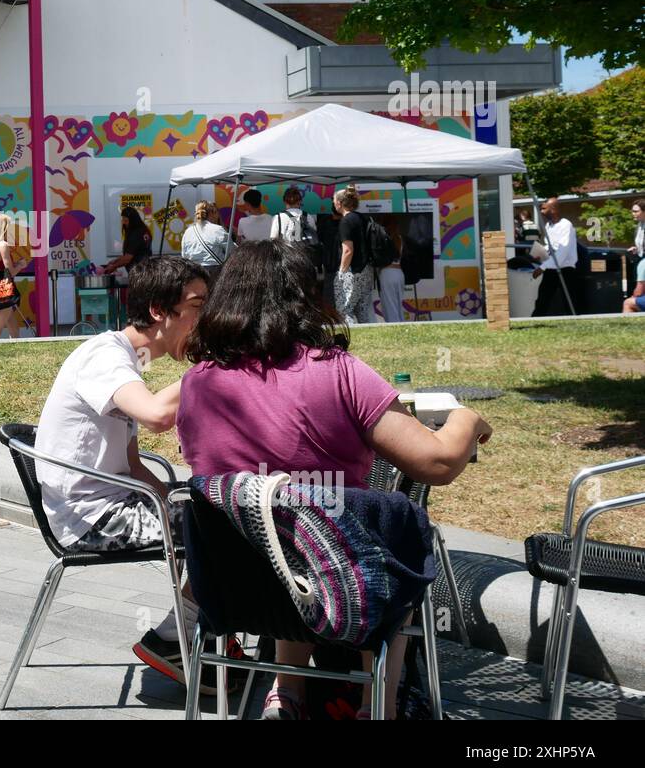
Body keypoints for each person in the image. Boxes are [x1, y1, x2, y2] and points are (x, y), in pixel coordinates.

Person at [178, 240, 493, 719]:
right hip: (343, 580)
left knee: (281, 522)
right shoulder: (337, 371)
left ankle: (287, 693)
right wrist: (468, 419)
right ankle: (377, 704)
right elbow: (437, 464)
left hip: (234, 589)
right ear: (307, 295)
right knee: (376, 535)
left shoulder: (198, 381)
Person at [35, 256, 210, 688]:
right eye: (197, 305)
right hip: (91, 518)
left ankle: (193, 632)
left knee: (216, 512)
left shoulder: (128, 363)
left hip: (111, 503)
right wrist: (210, 370)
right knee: (231, 527)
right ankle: (178, 635)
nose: (204, 317)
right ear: (158, 311)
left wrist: (178, 496)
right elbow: (154, 415)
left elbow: (131, 465)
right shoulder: (104, 357)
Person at [334, 187, 377, 325]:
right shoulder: (363, 218)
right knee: (363, 310)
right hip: (367, 270)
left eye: (334, 200)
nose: (333, 203)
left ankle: (352, 340)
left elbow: (348, 250)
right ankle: (371, 339)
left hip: (352, 272)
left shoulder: (346, 221)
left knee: (345, 310)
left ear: (340, 203)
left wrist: (341, 272)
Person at [532, 197, 580, 316]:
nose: (541, 212)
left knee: (569, 299)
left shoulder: (566, 225)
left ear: (553, 209)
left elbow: (562, 252)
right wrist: (540, 253)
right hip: (552, 267)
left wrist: (542, 267)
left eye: (544, 208)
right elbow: (550, 246)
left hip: (566, 269)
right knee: (543, 297)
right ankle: (536, 320)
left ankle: (574, 320)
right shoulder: (549, 226)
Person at [0, 212, 26, 340]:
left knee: (14, 327)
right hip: (4, 291)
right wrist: (20, 265)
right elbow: (10, 273)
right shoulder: (3, 245)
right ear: (4, 227)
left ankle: (16, 351)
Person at [180, 200, 230, 280]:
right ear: (213, 213)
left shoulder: (188, 231)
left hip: (194, 271)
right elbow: (231, 250)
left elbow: (184, 255)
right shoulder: (217, 229)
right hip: (214, 270)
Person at [373, 215, 406, 323]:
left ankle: (393, 325)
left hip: (387, 273)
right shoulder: (399, 238)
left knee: (389, 305)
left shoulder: (382, 238)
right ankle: (401, 324)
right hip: (399, 272)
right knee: (398, 304)